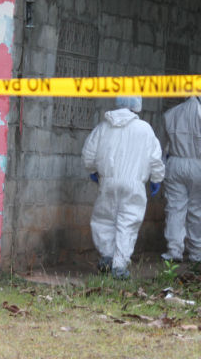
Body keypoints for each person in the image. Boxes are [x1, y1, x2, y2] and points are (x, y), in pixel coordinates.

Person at [82, 96, 165, 279]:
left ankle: (107, 256)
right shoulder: (145, 129)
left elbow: (89, 152)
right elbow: (155, 159)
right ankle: (119, 265)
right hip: (134, 184)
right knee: (128, 222)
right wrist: (156, 179)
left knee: (104, 219)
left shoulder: (103, 127)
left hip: (108, 181)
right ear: (137, 104)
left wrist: (93, 170)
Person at [161, 96, 201, 264]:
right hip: (199, 165)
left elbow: (164, 143)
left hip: (175, 163)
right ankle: (197, 251)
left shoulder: (171, 114)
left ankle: (174, 250)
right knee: (198, 209)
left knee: (175, 208)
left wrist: (162, 163)